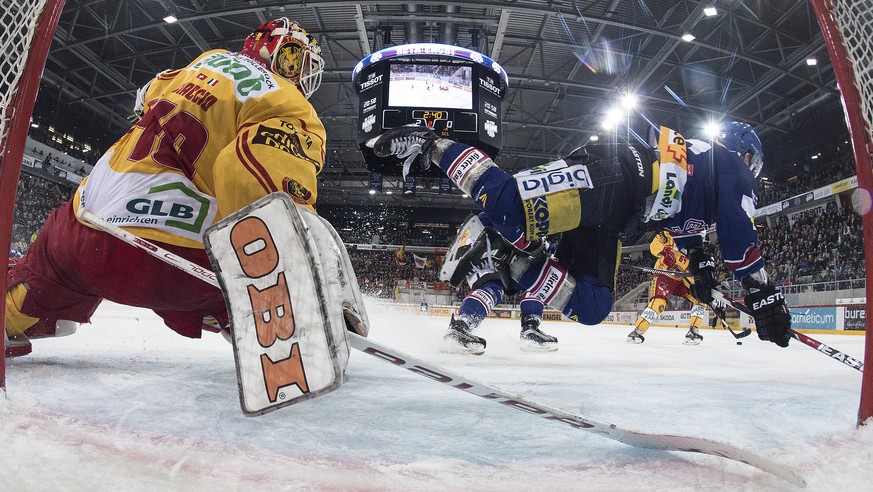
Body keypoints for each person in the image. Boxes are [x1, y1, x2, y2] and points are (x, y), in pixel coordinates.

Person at [5, 17, 327, 358]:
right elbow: (251, 178)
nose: (304, 75)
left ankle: (10, 315)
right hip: (174, 263)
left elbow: (146, 94)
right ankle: (246, 319)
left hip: (80, 236)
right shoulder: (289, 103)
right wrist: (291, 275)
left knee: (50, 265)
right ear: (284, 55)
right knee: (238, 260)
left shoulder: (203, 62)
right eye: (301, 63)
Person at [367, 121, 792, 351]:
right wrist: (765, 296)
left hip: (616, 217)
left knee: (591, 305)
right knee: (514, 210)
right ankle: (432, 144)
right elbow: (739, 236)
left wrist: (701, 269)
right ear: (747, 155)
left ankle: (508, 257)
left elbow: (688, 236)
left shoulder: (706, 185)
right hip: (618, 172)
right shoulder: (734, 169)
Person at [442, 213, 558, 354]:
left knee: (537, 282)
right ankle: (461, 325)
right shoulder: (502, 210)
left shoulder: (537, 218)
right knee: (493, 287)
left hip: (512, 263)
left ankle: (530, 328)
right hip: (485, 257)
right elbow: (476, 231)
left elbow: (541, 247)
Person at [626, 231, 706, 345]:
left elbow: (692, 272)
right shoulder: (668, 234)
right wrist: (665, 252)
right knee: (659, 303)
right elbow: (654, 246)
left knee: (701, 299)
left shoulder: (694, 243)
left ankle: (693, 331)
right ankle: (637, 331)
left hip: (682, 280)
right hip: (664, 276)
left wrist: (697, 287)